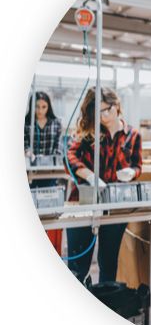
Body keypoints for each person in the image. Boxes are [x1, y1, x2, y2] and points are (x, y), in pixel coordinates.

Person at [65, 87, 142, 283]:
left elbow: (137, 165)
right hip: (84, 202)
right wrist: (89, 176)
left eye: (107, 109)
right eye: (98, 112)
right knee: (78, 267)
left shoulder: (132, 135)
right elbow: (70, 156)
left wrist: (132, 172)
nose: (104, 116)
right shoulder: (90, 132)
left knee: (108, 263)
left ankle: (104, 304)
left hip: (115, 206)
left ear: (117, 106)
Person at [25, 91, 63, 252]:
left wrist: (53, 158)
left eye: (44, 107)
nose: (40, 110)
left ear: (49, 107)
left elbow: (59, 146)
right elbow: (24, 144)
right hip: (31, 174)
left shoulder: (56, 123)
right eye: (37, 107)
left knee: (48, 209)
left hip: (50, 173)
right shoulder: (26, 123)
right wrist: (28, 152)